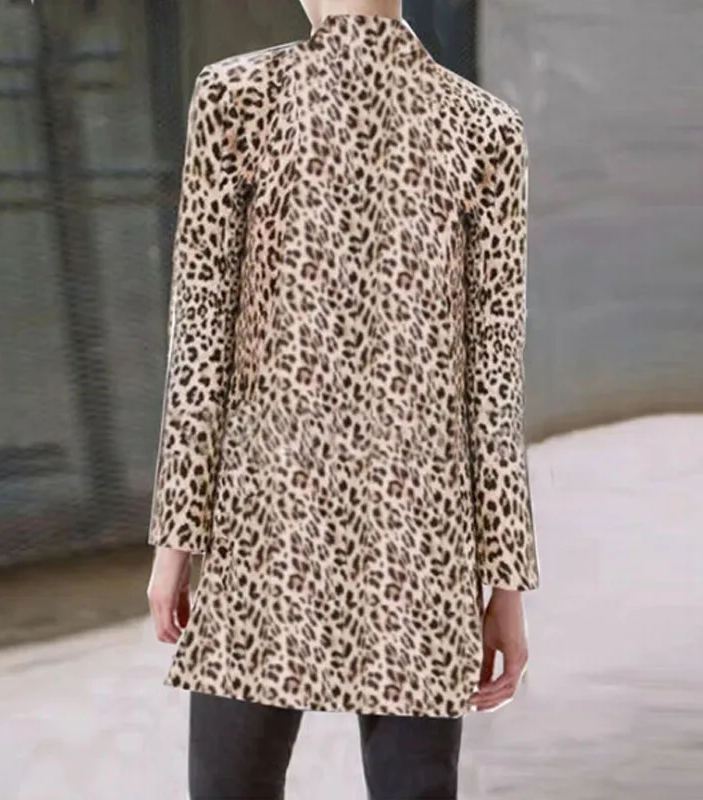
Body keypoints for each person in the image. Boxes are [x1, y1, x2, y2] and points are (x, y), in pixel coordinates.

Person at [146, 1, 541, 797]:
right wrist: (505, 583)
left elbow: (201, 342)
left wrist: (175, 538)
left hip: (265, 518)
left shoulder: (237, 97)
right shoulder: (486, 127)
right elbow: (494, 386)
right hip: (422, 533)